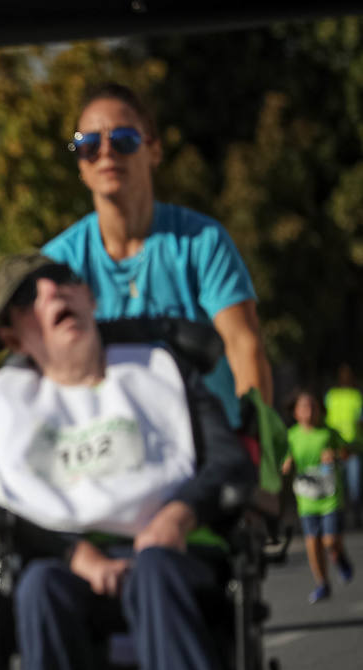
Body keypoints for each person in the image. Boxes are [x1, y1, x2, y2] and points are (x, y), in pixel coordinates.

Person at [0, 253, 257, 670]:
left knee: (154, 567)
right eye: (30, 293)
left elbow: (228, 463)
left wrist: (180, 514)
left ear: (91, 300)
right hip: (75, 573)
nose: (53, 292)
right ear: (12, 332)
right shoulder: (12, 403)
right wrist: (78, 556)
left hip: (174, 560)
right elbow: (14, 512)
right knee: (39, 588)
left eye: (64, 282)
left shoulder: (157, 368)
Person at [43, 82, 270, 430]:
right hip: (114, 453)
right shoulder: (57, 263)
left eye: (123, 139)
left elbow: (244, 346)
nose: (106, 152)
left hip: (207, 446)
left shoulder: (202, 241)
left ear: (154, 150)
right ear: (80, 162)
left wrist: (257, 445)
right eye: (88, 144)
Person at [283, 390, 354, 603]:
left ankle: (340, 559)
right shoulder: (292, 435)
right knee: (312, 543)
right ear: (296, 413)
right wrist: (287, 465)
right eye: (304, 407)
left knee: (330, 541)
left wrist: (336, 455)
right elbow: (286, 461)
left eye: (313, 406)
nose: (309, 411)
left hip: (330, 495)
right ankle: (322, 583)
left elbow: (347, 452)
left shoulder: (328, 433)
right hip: (306, 497)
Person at [324, 364, 362, 527]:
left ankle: (353, 517)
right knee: (338, 487)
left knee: (353, 487)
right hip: (337, 447)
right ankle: (340, 518)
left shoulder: (355, 396)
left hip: (352, 448)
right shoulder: (332, 396)